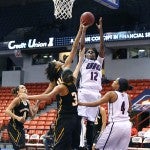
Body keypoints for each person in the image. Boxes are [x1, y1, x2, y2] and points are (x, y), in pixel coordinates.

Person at [19, 49, 85, 150]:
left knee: (63, 146)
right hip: (74, 117)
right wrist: (80, 59)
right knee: (71, 146)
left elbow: (47, 96)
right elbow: (78, 66)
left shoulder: (63, 85)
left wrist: (29, 97)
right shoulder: (72, 81)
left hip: (66, 117)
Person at [78, 78, 133, 150]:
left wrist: (81, 103)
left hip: (116, 124)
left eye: (115, 81)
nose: (113, 81)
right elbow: (130, 109)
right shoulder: (127, 96)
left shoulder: (111, 94)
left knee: (98, 147)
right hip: (127, 125)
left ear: (118, 85)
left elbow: (96, 103)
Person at [77, 17, 105, 149]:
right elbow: (81, 45)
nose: (90, 53)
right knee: (82, 118)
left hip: (95, 93)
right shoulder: (83, 61)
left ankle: (89, 143)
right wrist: (84, 30)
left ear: (95, 55)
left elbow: (102, 47)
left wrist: (100, 31)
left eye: (92, 52)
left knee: (92, 122)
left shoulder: (99, 62)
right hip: (84, 90)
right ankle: (80, 143)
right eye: (88, 52)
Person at [5, 85, 38, 150]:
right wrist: (17, 117)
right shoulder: (17, 100)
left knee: (22, 147)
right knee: (19, 148)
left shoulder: (28, 102)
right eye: (22, 88)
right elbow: (7, 111)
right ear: (18, 92)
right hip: (13, 127)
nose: (25, 89)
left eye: (25, 88)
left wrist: (36, 107)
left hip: (21, 128)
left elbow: (32, 116)